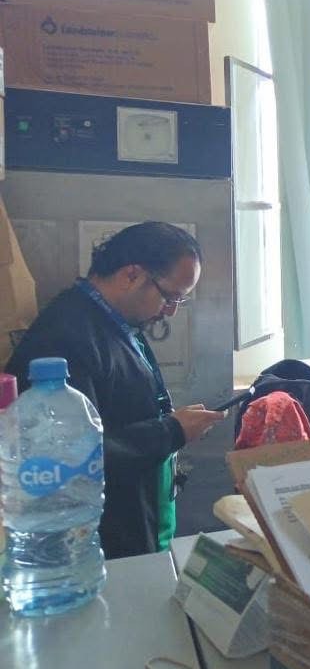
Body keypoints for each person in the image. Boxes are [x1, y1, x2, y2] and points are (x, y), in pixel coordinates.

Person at [6, 222, 225, 559]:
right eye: (169, 297)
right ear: (131, 275)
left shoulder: (116, 324)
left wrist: (172, 424)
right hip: (97, 543)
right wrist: (171, 431)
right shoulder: (65, 336)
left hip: (135, 518)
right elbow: (71, 456)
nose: (170, 311)